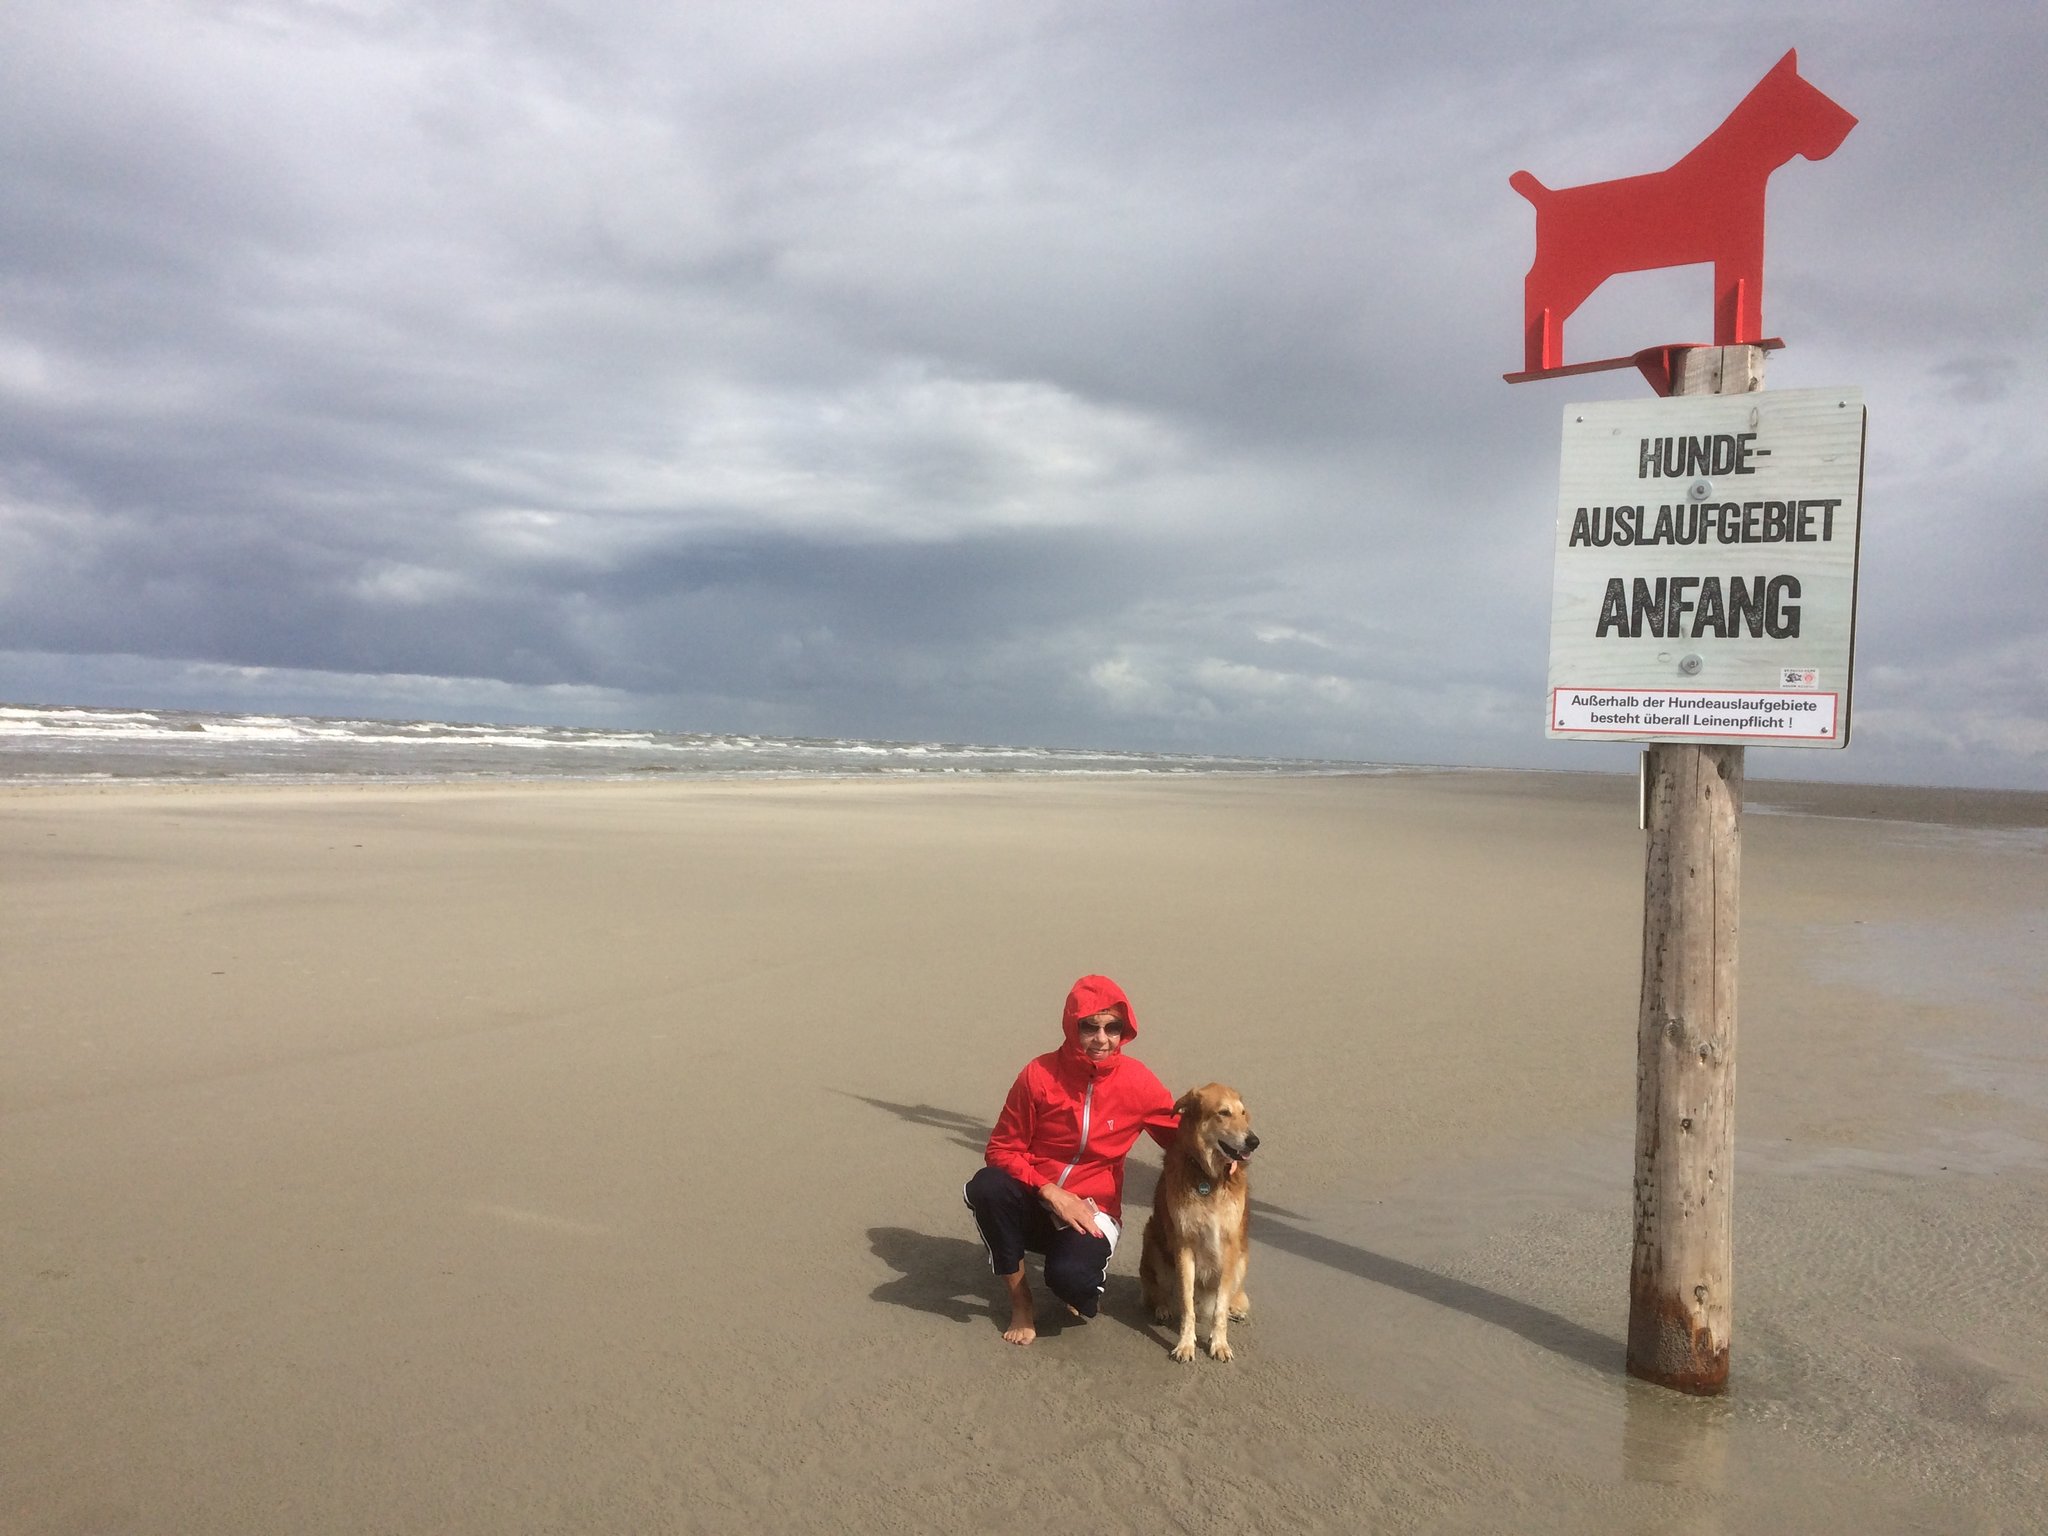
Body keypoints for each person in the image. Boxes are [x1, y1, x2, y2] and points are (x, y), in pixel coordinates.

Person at [962, 975, 1180, 1345]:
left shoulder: (1138, 1081)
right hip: (1036, 1198)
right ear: (1071, 1026)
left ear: (1124, 1031)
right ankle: (1021, 1301)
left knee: (1073, 1285)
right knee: (988, 1186)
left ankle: (1072, 1279)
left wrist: (1223, 1153)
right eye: (1089, 1027)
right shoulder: (1039, 1074)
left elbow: (1181, 1136)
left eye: (1113, 1027)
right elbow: (1001, 1149)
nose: (1101, 1038)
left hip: (1093, 1209)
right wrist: (1051, 1192)